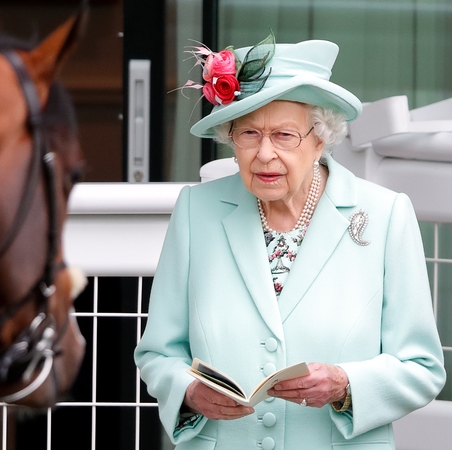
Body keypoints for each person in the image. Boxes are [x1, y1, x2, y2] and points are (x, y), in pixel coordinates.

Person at [134, 33, 446, 449]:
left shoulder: (385, 215)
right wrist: (188, 392)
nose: (264, 154)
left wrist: (344, 384)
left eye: (284, 135)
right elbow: (157, 353)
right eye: (249, 134)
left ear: (320, 139)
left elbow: (422, 367)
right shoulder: (196, 211)